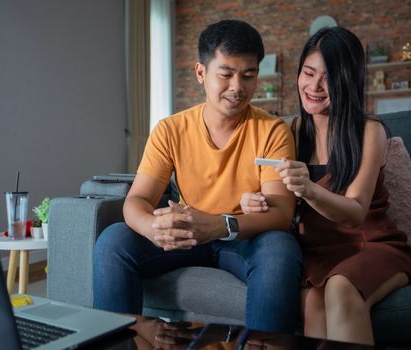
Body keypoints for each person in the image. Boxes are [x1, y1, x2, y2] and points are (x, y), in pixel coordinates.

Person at [93, 19, 302, 332]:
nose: (238, 87)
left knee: (279, 248)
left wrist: (220, 225)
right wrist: (152, 227)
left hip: (242, 239)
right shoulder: (171, 129)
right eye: (226, 74)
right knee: (113, 240)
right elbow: (137, 199)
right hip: (187, 236)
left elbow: (281, 213)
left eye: (249, 75)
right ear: (201, 73)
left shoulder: (272, 130)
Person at [240, 26, 411, 345]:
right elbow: (263, 193)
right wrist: (251, 200)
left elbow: (355, 212)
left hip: (372, 245)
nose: (315, 86)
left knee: (340, 287)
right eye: (308, 73)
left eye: (329, 78)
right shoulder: (287, 130)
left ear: (348, 81)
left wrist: (308, 188)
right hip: (316, 253)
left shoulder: (368, 131)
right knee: (313, 302)